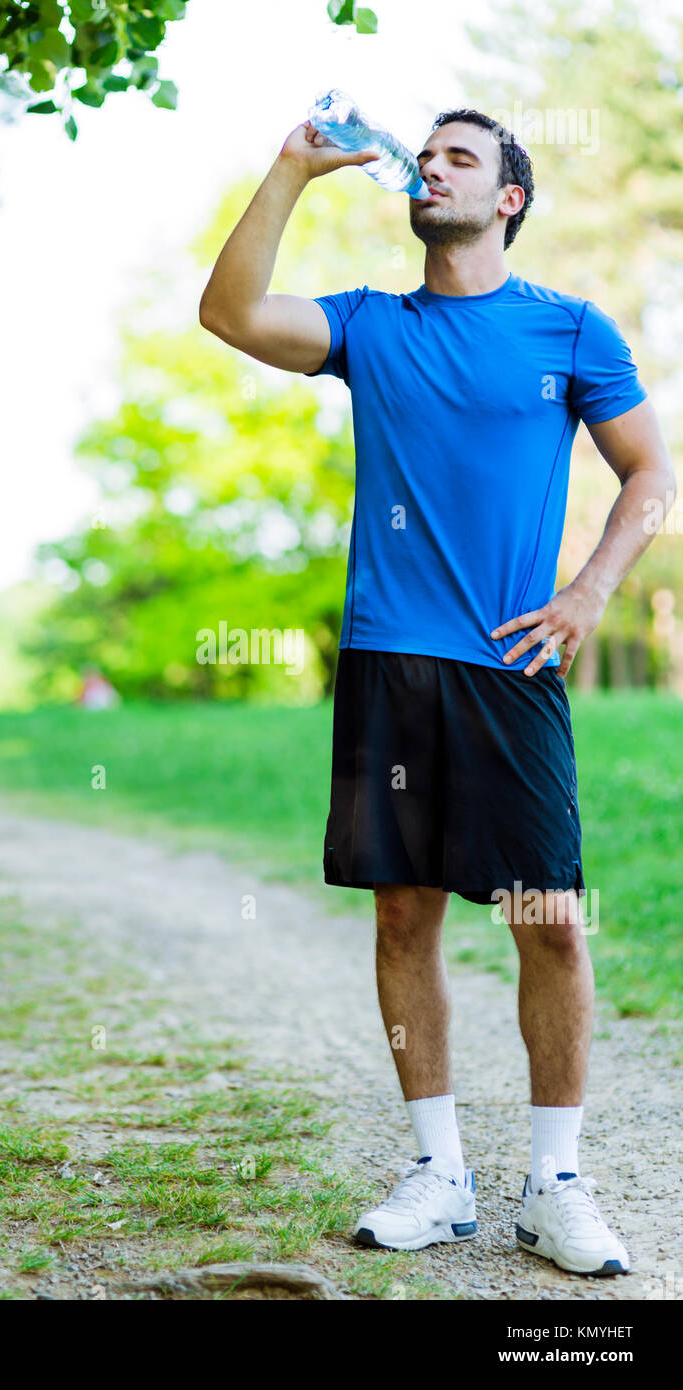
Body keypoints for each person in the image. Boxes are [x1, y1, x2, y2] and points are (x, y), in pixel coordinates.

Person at [199, 108, 676, 1276]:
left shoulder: (568, 329)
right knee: (400, 913)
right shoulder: (369, 323)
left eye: (460, 156)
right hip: (386, 660)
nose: (431, 167)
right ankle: (439, 1171)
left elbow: (649, 471)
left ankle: (554, 1182)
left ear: (506, 197)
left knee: (548, 920)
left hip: (510, 665)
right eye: (427, 154)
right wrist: (290, 171)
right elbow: (227, 314)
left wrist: (589, 592)